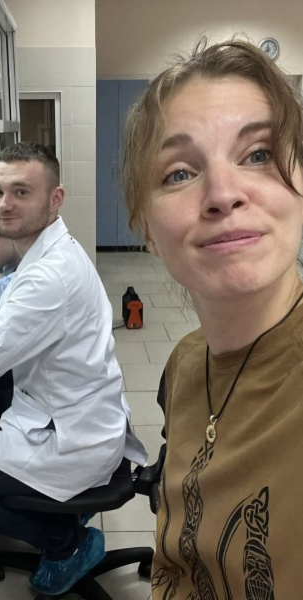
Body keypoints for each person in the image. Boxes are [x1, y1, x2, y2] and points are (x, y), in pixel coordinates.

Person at [0, 142, 147, 596]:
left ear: (55, 199)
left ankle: (63, 543)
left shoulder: (47, 275)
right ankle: (56, 515)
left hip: (73, 438)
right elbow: (27, 327)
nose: (5, 204)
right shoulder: (50, 252)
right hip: (74, 410)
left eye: (22, 192)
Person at [122, 38, 303, 598]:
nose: (223, 194)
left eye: (258, 154)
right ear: (148, 230)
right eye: (179, 173)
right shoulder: (184, 363)